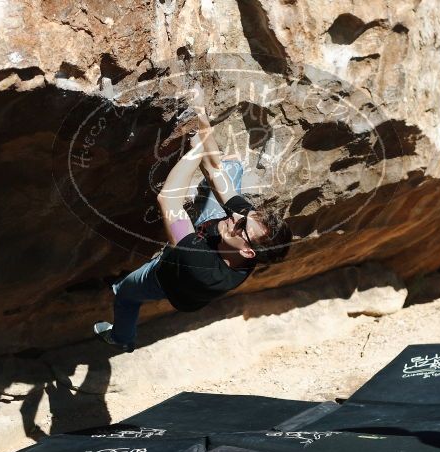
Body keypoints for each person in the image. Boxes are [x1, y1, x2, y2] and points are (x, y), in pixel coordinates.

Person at [93, 97, 293, 352]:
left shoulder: (201, 266)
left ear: (248, 251)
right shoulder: (246, 228)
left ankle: (122, 338)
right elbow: (214, 169)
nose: (234, 216)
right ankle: (197, 212)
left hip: (167, 276)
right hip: (203, 237)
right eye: (244, 215)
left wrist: (196, 151)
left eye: (241, 225)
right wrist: (199, 111)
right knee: (228, 169)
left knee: (124, 293)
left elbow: (168, 201)